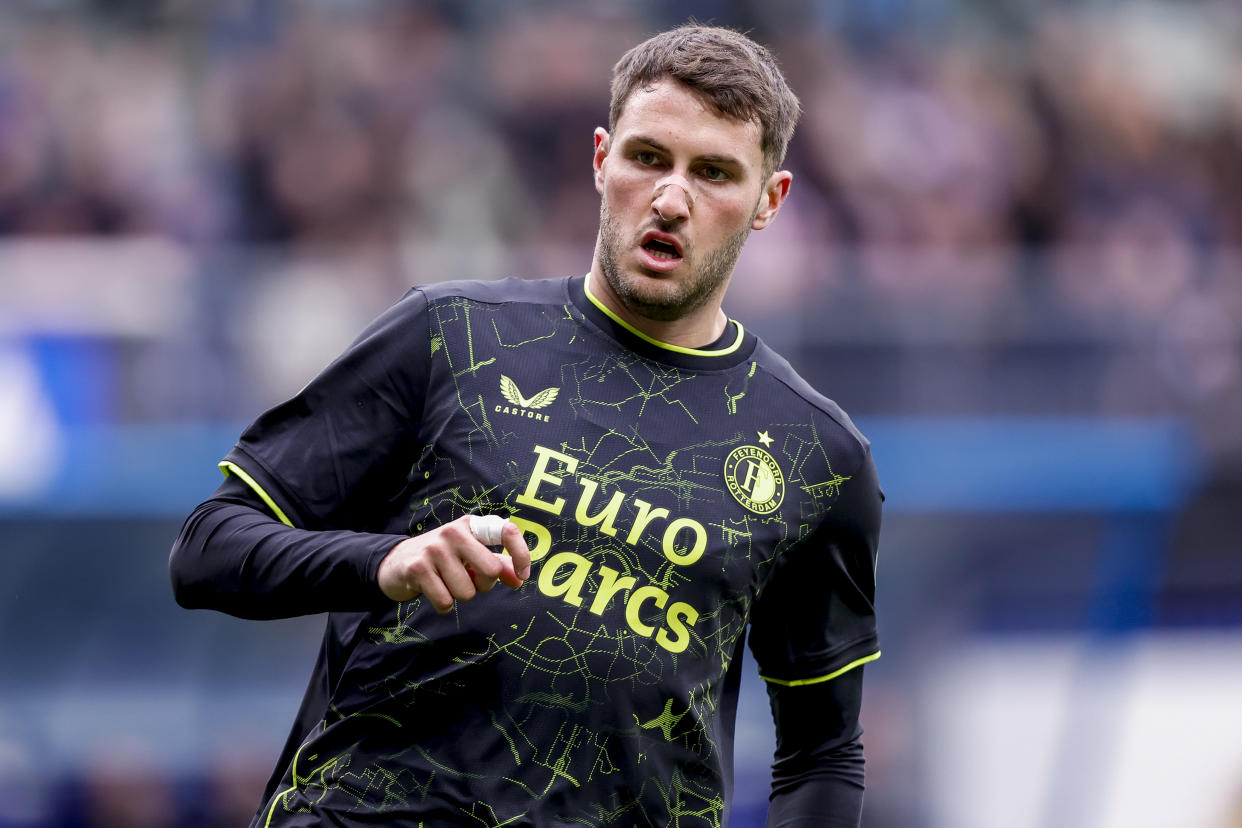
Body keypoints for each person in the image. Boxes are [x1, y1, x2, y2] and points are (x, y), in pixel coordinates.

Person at [170, 23, 882, 828]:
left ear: (769, 201)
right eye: (649, 158)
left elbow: (823, 753)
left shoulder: (816, 456)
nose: (672, 198)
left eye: (714, 173)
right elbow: (206, 551)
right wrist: (387, 562)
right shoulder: (450, 335)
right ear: (600, 159)